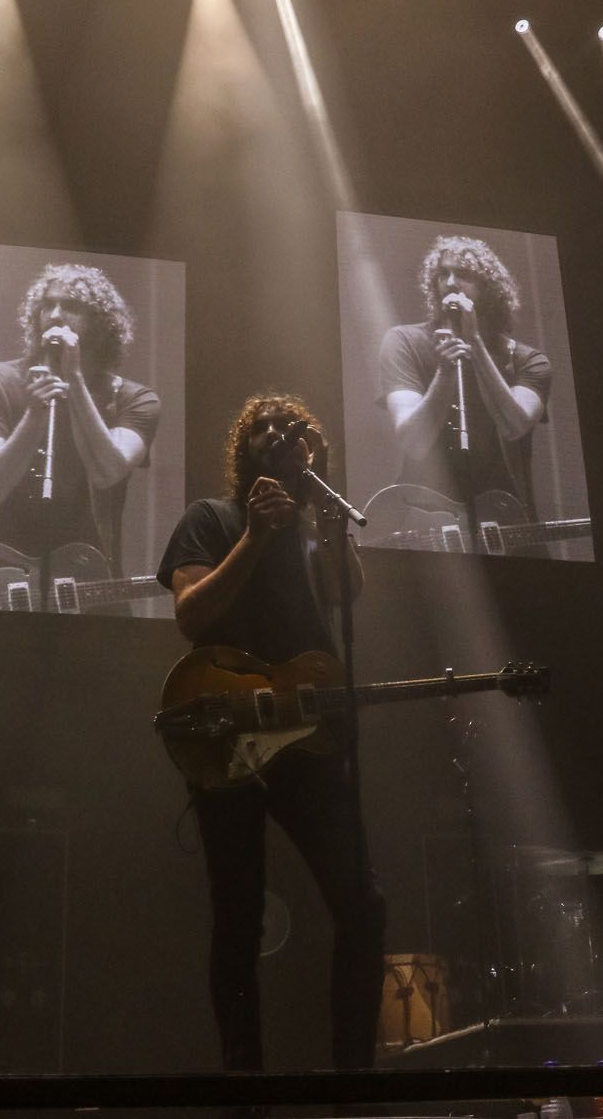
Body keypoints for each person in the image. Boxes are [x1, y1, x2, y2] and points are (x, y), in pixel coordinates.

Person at [157, 394, 384, 1071]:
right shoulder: (212, 518)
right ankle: (243, 1083)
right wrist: (253, 536)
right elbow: (192, 616)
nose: (277, 434)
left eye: (291, 428)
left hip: (307, 738)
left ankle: (353, 1079)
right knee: (238, 921)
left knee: (363, 905)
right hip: (228, 739)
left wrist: (327, 521)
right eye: (261, 425)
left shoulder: (317, 530)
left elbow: (345, 595)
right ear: (241, 447)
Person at [0, 263, 160, 571]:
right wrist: (33, 415)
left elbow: (107, 472)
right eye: (48, 305)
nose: (55, 315)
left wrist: (73, 378)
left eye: (72, 306)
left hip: (84, 573)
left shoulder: (135, 399)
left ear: (101, 323)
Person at [378, 235, 551, 513]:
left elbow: (515, 425)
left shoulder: (527, 360)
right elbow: (413, 440)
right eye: (442, 273)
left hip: (502, 516)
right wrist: (445, 372)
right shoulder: (404, 341)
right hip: (424, 516)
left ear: (489, 288)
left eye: (464, 275)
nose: (450, 283)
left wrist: (475, 343)